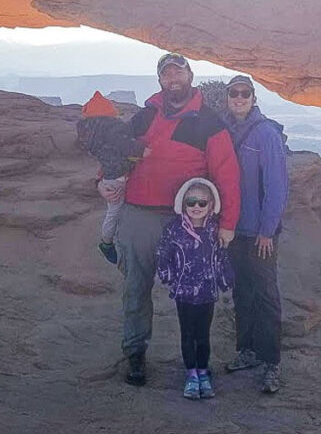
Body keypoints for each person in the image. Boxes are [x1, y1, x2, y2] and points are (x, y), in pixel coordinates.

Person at [98, 52, 240, 387]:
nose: (173, 79)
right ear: (160, 80)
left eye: (179, 73)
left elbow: (228, 177)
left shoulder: (209, 122)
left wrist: (229, 224)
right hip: (139, 214)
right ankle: (135, 353)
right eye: (167, 75)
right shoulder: (145, 116)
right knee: (135, 286)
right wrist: (104, 178)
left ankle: (194, 363)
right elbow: (117, 150)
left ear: (190, 75)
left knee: (191, 291)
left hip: (186, 220)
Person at [221, 75, 289, 394]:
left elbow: (276, 186)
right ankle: (246, 351)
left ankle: (271, 362)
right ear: (227, 98)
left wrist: (267, 230)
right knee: (242, 292)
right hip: (234, 230)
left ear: (253, 98)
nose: (238, 98)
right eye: (233, 94)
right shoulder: (225, 131)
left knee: (265, 295)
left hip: (260, 233)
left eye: (244, 93)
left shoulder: (265, 133)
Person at [156, 178, 234, 399]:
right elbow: (164, 254)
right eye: (191, 202)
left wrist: (225, 279)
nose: (196, 207)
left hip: (207, 292)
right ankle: (191, 374)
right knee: (187, 333)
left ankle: (203, 372)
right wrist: (167, 277)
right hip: (184, 292)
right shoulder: (174, 229)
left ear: (211, 204)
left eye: (202, 202)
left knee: (203, 335)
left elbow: (220, 257)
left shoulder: (214, 231)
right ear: (183, 204)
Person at [75, 91, 148, 264]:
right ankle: (107, 243)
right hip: (118, 176)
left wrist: (100, 181)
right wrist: (142, 151)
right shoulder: (111, 129)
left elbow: (109, 156)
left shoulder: (91, 132)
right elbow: (123, 146)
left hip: (111, 175)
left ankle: (112, 242)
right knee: (116, 211)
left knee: (116, 210)